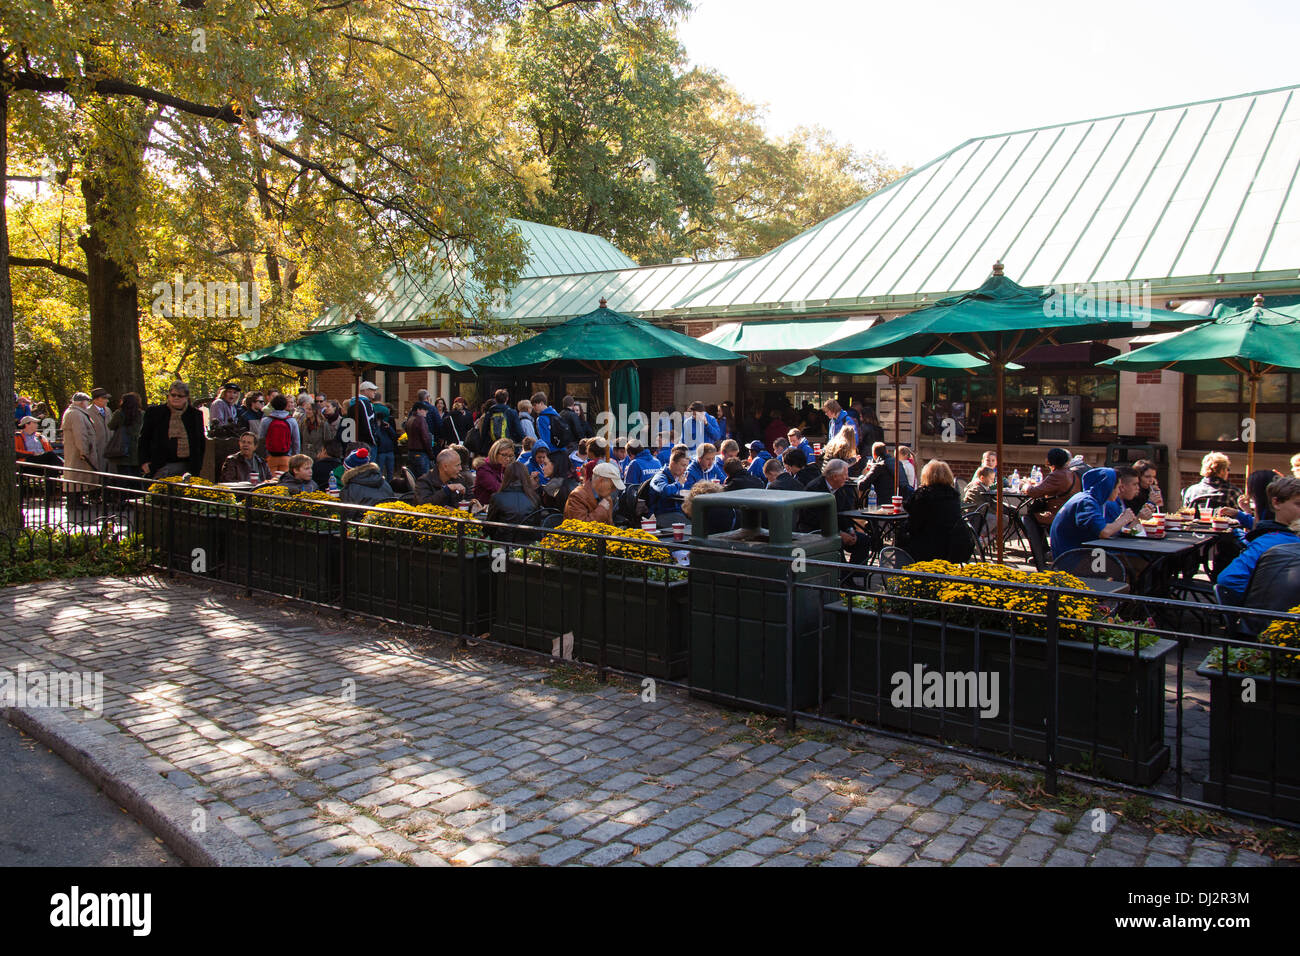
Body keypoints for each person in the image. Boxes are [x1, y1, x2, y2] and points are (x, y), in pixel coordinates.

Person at [1216, 477, 1300, 604]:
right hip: (1277, 618)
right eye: (1299, 504)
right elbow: (1229, 580)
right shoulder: (1269, 541)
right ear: (1276, 502)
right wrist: (1266, 603)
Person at [1049, 467, 1139, 558]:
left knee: (1137, 559)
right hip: (1072, 559)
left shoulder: (1092, 500)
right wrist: (1123, 520)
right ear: (1108, 486)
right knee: (1137, 559)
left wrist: (1119, 521)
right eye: (1118, 487)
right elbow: (1103, 532)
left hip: (1082, 553)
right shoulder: (1086, 502)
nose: (1120, 491)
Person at [801, 458, 871, 563]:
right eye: (845, 474)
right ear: (834, 476)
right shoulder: (815, 488)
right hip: (816, 532)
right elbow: (813, 519)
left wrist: (850, 530)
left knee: (863, 540)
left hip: (838, 530)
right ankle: (844, 577)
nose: (847, 478)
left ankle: (855, 573)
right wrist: (838, 533)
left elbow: (844, 513)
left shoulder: (842, 488)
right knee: (837, 547)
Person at [898, 459, 969, 563]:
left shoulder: (923, 496)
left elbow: (913, 525)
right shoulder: (953, 495)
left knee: (901, 537)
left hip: (926, 547)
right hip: (951, 546)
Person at [139, 382, 205, 479]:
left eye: (180, 396)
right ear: (168, 396)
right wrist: (144, 462)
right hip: (160, 464)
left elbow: (201, 442)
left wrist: (198, 465)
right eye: (173, 395)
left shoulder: (195, 415)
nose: (176, 398)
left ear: (186, 397)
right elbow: (144, 438)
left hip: (188, 465)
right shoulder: (154, 412)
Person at [1024, 447, 1082, 527]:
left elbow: (1034, 492)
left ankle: (1037, 540)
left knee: (1028, 518)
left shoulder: (1057, 474)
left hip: (1059, 514)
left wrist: (1026, 485)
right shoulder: (1071, 473)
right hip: (1070, 513)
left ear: (1049, 460)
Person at [487, 461, 542, 537]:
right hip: (528, 543)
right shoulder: (534, 497)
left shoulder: (497, 497)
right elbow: (537, 524)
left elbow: (489, 525)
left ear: (506, 476)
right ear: (525, 476)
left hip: (502, 542)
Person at [258, 393, 301, 473]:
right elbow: (296, 441)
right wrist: (295, 457)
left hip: (270, 456)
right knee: (285, 482)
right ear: (285, 405)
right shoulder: (291, 421)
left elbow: (261, 439)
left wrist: (263, 455)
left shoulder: (266, 421)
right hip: (287, 456)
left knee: (271, 482)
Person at [105, 392, 143, 476]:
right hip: (137, 449)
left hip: (121, 448)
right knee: (137, 476)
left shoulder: (119, 413)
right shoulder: (141, 414)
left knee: (123, 476)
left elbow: (111, 426)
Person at [649, 449, 690, 524]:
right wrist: (679, 484)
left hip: (677, 513)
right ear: (673, 463)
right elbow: (665, 490)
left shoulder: (680, 477)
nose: (685, 469)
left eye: (686, 466)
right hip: (662, 514)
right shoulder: (660, 476)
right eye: (683, 465)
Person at [473, 438, 515, 505]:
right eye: (504, 455)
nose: (508, 459)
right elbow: (498, 489)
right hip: (484, 510)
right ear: (495, 453)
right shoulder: (483, 469)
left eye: (510, 456)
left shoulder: (505, 469)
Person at [537, 446, 579, 513]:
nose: (543, 468)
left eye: (545, 464)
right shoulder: (572, 481)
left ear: (555, 465)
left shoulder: (555, 487)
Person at [404, 401, 436, 478]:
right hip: (421, 453)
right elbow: (425, 438)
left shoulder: (410, 419)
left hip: (411, 453)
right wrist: (431, 454)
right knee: (424, 479)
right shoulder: (421, 420)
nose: (426, 412)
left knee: (414, 477)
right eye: (424, 409)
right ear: (418, 410)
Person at [348, 381, 381, 450]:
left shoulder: (353, 403)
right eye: (372, 390)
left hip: (356, 441)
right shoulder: (365, 403)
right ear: (365, 391)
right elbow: (368, 423)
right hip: (367, 443)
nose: (375, 392)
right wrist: (374, 440)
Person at [373, 404, 398, 480]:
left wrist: (389, 428)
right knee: (379, 470)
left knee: (390, 471)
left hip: (389, 450)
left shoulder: (386, 425)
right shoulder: (374, 427)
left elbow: (394, 435)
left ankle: (390, 484)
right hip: (381, 452)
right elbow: (376, 436)